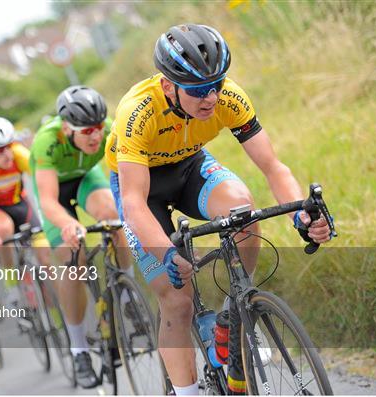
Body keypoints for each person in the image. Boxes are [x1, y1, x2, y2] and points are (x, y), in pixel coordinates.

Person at [105, 24, 333, 395]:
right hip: (140, 187)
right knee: (176, 301)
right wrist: (165, 253)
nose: (210, 97)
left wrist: (301, 215)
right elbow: (132, 203)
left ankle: (233, 314)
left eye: (216, 85)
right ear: (168, 86)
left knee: (243, 210)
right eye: (197, 90)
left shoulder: (228, 98)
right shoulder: (137, 112)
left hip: (189, 167)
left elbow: (273, 167)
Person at [30, 86, 133, 389]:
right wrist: (67, 224)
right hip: (55, 194)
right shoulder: (46, 142)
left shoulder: (110, 129)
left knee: (114, 218)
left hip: (86, 180)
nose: (95, 136)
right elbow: (47, 201)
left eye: (99, 128)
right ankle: (79, 349)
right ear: (66, 128)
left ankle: (127, 295)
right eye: (87, 130)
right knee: (72, 259)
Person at [0, 116, 50, 305]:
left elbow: (45, 186)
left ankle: (57, 323)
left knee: (46, 260)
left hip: (20, 206)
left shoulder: (19, 154)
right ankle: (11, 281)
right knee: (5, 228)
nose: (7, 154)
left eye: (8, 145)